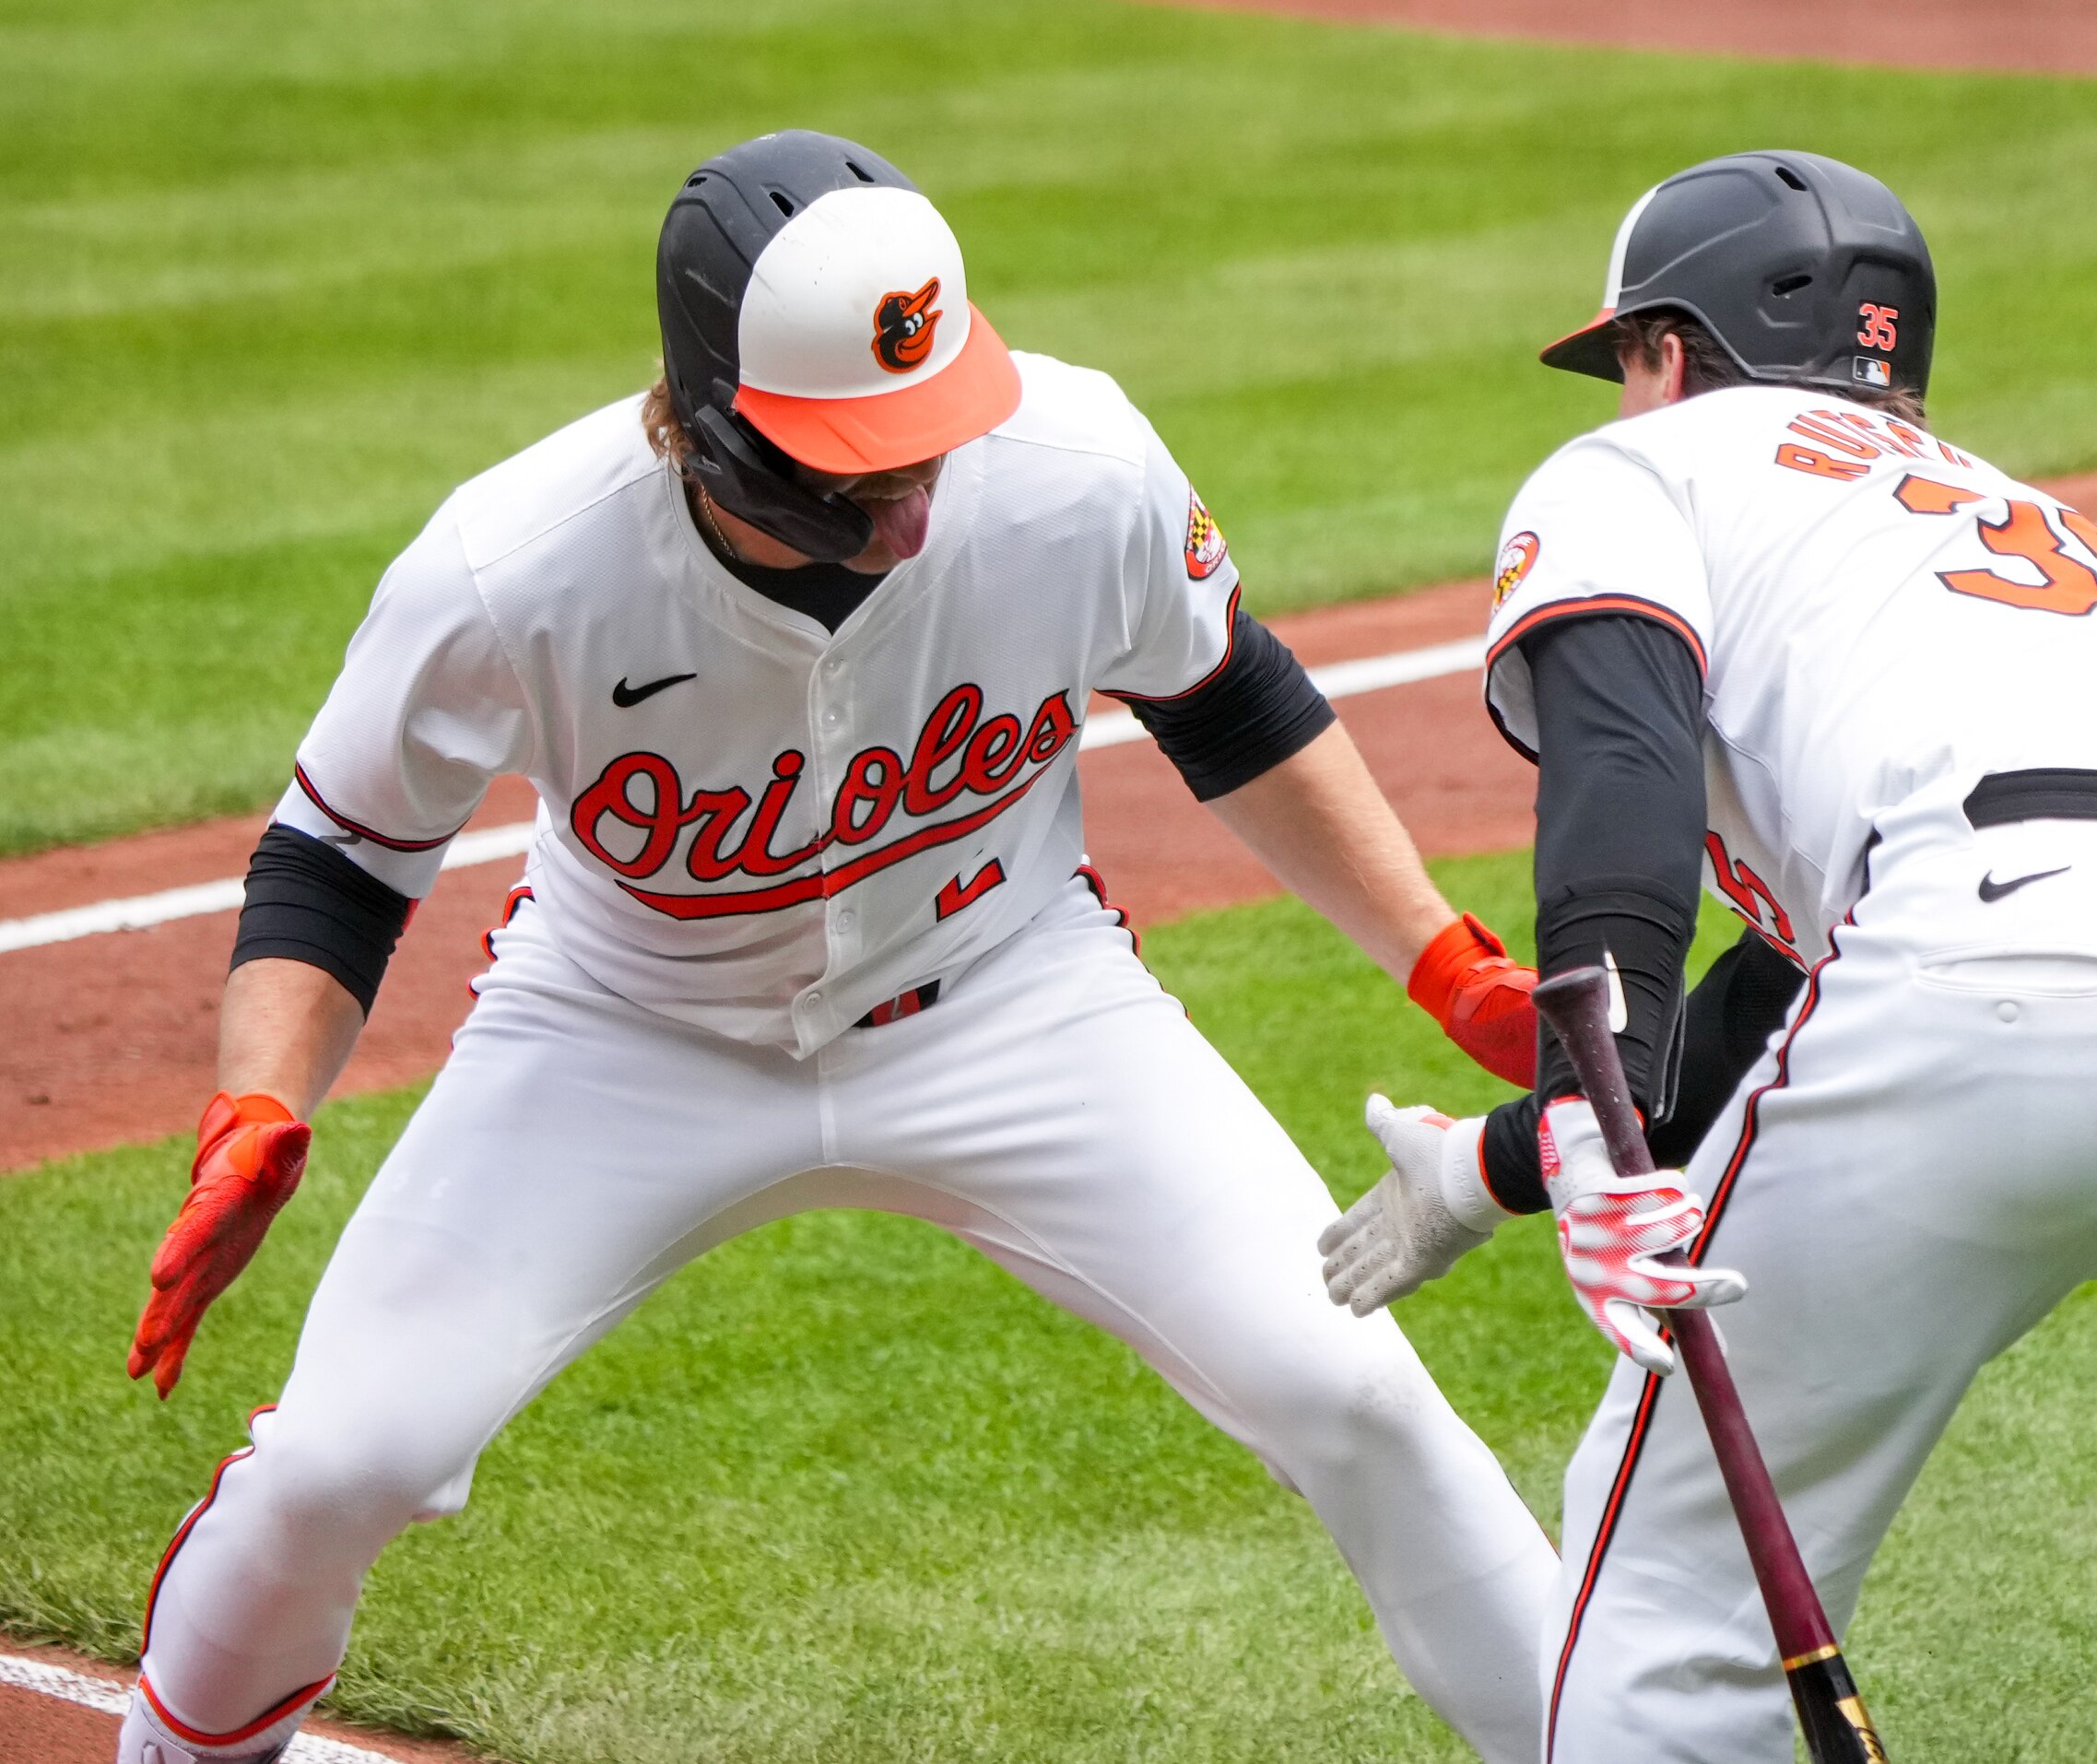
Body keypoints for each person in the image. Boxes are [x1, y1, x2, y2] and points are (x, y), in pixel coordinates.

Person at [118, 130, 1556, 1764]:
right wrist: (256, 1097)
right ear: (707, 424)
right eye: (856, 471)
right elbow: (340, 854)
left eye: (928, 443)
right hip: (622, 1037)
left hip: (1021, 1003)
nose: (917, 506)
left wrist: (1440, 956)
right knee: (338, 1464)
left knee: (1360, 1396)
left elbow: (1228, 697)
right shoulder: (516, 566)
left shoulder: (1076, 464)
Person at [1321, 149, 2097, 1763]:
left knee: (1669, 1624)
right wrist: (1490, 1166)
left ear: (1668, 349)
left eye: (1626, 359)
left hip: (2016, 952)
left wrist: (1591, 1102)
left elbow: (1624, 780)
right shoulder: (2003, 517)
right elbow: (1790, 985)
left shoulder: (1635, 474)